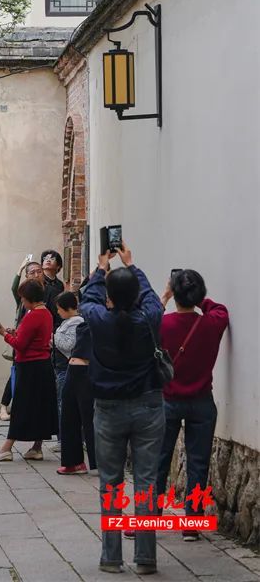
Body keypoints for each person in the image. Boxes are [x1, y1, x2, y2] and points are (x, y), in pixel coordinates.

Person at [80, 242, 164, 576]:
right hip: (148, 404)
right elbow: (152, 298)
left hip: (109, 409)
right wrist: (133, 266)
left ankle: (111, 556)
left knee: (110, 483)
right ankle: (145, 558)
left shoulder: (100, 319)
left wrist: (102, 269)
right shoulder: (149, 319)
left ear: (109, 296)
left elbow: (87, 299)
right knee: (146, 482)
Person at [156, 269, 229, 541]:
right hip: (201, 401)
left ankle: (149, 518)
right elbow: (218, 308)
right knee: (199, 464)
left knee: (158, 462)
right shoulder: (213, 322)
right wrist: (199, 299)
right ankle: (192, 523)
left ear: (174, 292)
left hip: (168, 400)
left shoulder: (163, 325)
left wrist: (164, 296)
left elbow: (148, 319)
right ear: (198, 294)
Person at [0, 280, 58, 462]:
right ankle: (37, 447)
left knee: (20, 406)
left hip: (29, 366)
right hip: (43, 365)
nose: (22, 303)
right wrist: (15, 332)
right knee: (39, 406)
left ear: (30, 299)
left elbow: (20, 345)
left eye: (23, 299)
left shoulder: (33, 315)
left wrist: (5, 335)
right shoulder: (47, 313)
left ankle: (7, 448)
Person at [0, 256, 46, 421]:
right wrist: (19, 269)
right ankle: (4, 406)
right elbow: (14, 288)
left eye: (39, 271)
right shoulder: (23, 296)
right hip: (21, 339)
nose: (36, 275)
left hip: (37, 345)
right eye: (32, 272)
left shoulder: (47, 295)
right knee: (16, 372)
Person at [57, 298, 96, 476]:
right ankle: (73, 461)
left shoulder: (103, 318)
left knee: (89, 416)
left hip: (87, 371)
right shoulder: (87, 319)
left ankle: (100, 461)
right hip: (74, 370)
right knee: (69, 415)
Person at [53, 290, 82, 415]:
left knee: (63, 404)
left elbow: (68, 345)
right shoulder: (67, 322)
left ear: (67, 308)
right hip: (61, 368)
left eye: (59, 309)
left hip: (66, 368)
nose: (58, 312)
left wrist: (54, 337)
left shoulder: (76, 322)